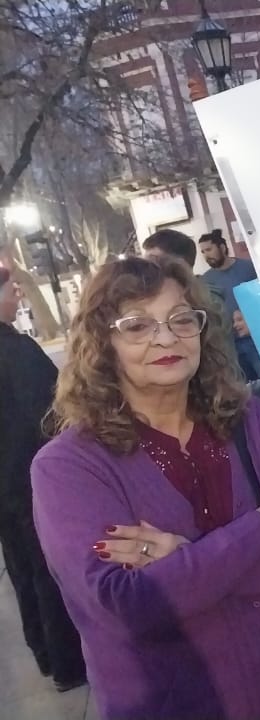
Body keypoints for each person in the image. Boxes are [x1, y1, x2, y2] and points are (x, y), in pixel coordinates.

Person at [30, 257, 260, 719]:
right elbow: (128, 604)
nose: (166, 337)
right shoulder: (68, 468)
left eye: (181, 319)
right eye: (137, 325)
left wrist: (186, 564)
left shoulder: (248, 420)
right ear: (103, 343)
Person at [0, 267, 87, 692]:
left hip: (4, 489)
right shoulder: (16, 350)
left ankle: (45, 654)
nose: (17, 294)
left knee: (21, 570)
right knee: (48, 569)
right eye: (8, 288)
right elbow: (51, 415)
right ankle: (68, 662)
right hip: (27, 481)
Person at [198, 228, 260, 381]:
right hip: (230, 345)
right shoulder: (206, 281)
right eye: (202, 252)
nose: (206, 255)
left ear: (222, 247)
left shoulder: (248, 268)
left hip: (256, 338)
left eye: (209, 249)